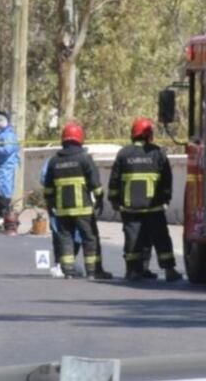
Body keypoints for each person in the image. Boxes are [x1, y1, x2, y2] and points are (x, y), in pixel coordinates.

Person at [108, 117, 181, 282]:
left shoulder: (123, 154)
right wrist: (166, 199)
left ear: (133, 135)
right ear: (149, 135)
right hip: (154, 208)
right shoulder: (157, 153)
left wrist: (113, 200)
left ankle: (134, 271)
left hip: (130, 209)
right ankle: (169, 270)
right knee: (161, 239)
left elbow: (114, 180)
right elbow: (167, 180)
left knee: (133, 239)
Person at [43, 122, 110, 279]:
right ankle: (94, 271)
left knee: (65, 237)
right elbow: (95, 185)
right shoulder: (85, 159)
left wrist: (51, 205)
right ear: (80, 138)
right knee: (90, 238)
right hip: (83, 209)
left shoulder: (54, 161)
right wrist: (100, 199)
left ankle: (68, 270)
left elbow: (48, 189)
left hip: (62, 209)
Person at [0, 111, 19, 230]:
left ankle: (6, 220)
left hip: (4, 171)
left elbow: (7, 150)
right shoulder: (1, 135)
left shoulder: (9, 136)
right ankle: (3, 219)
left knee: (3, 196)